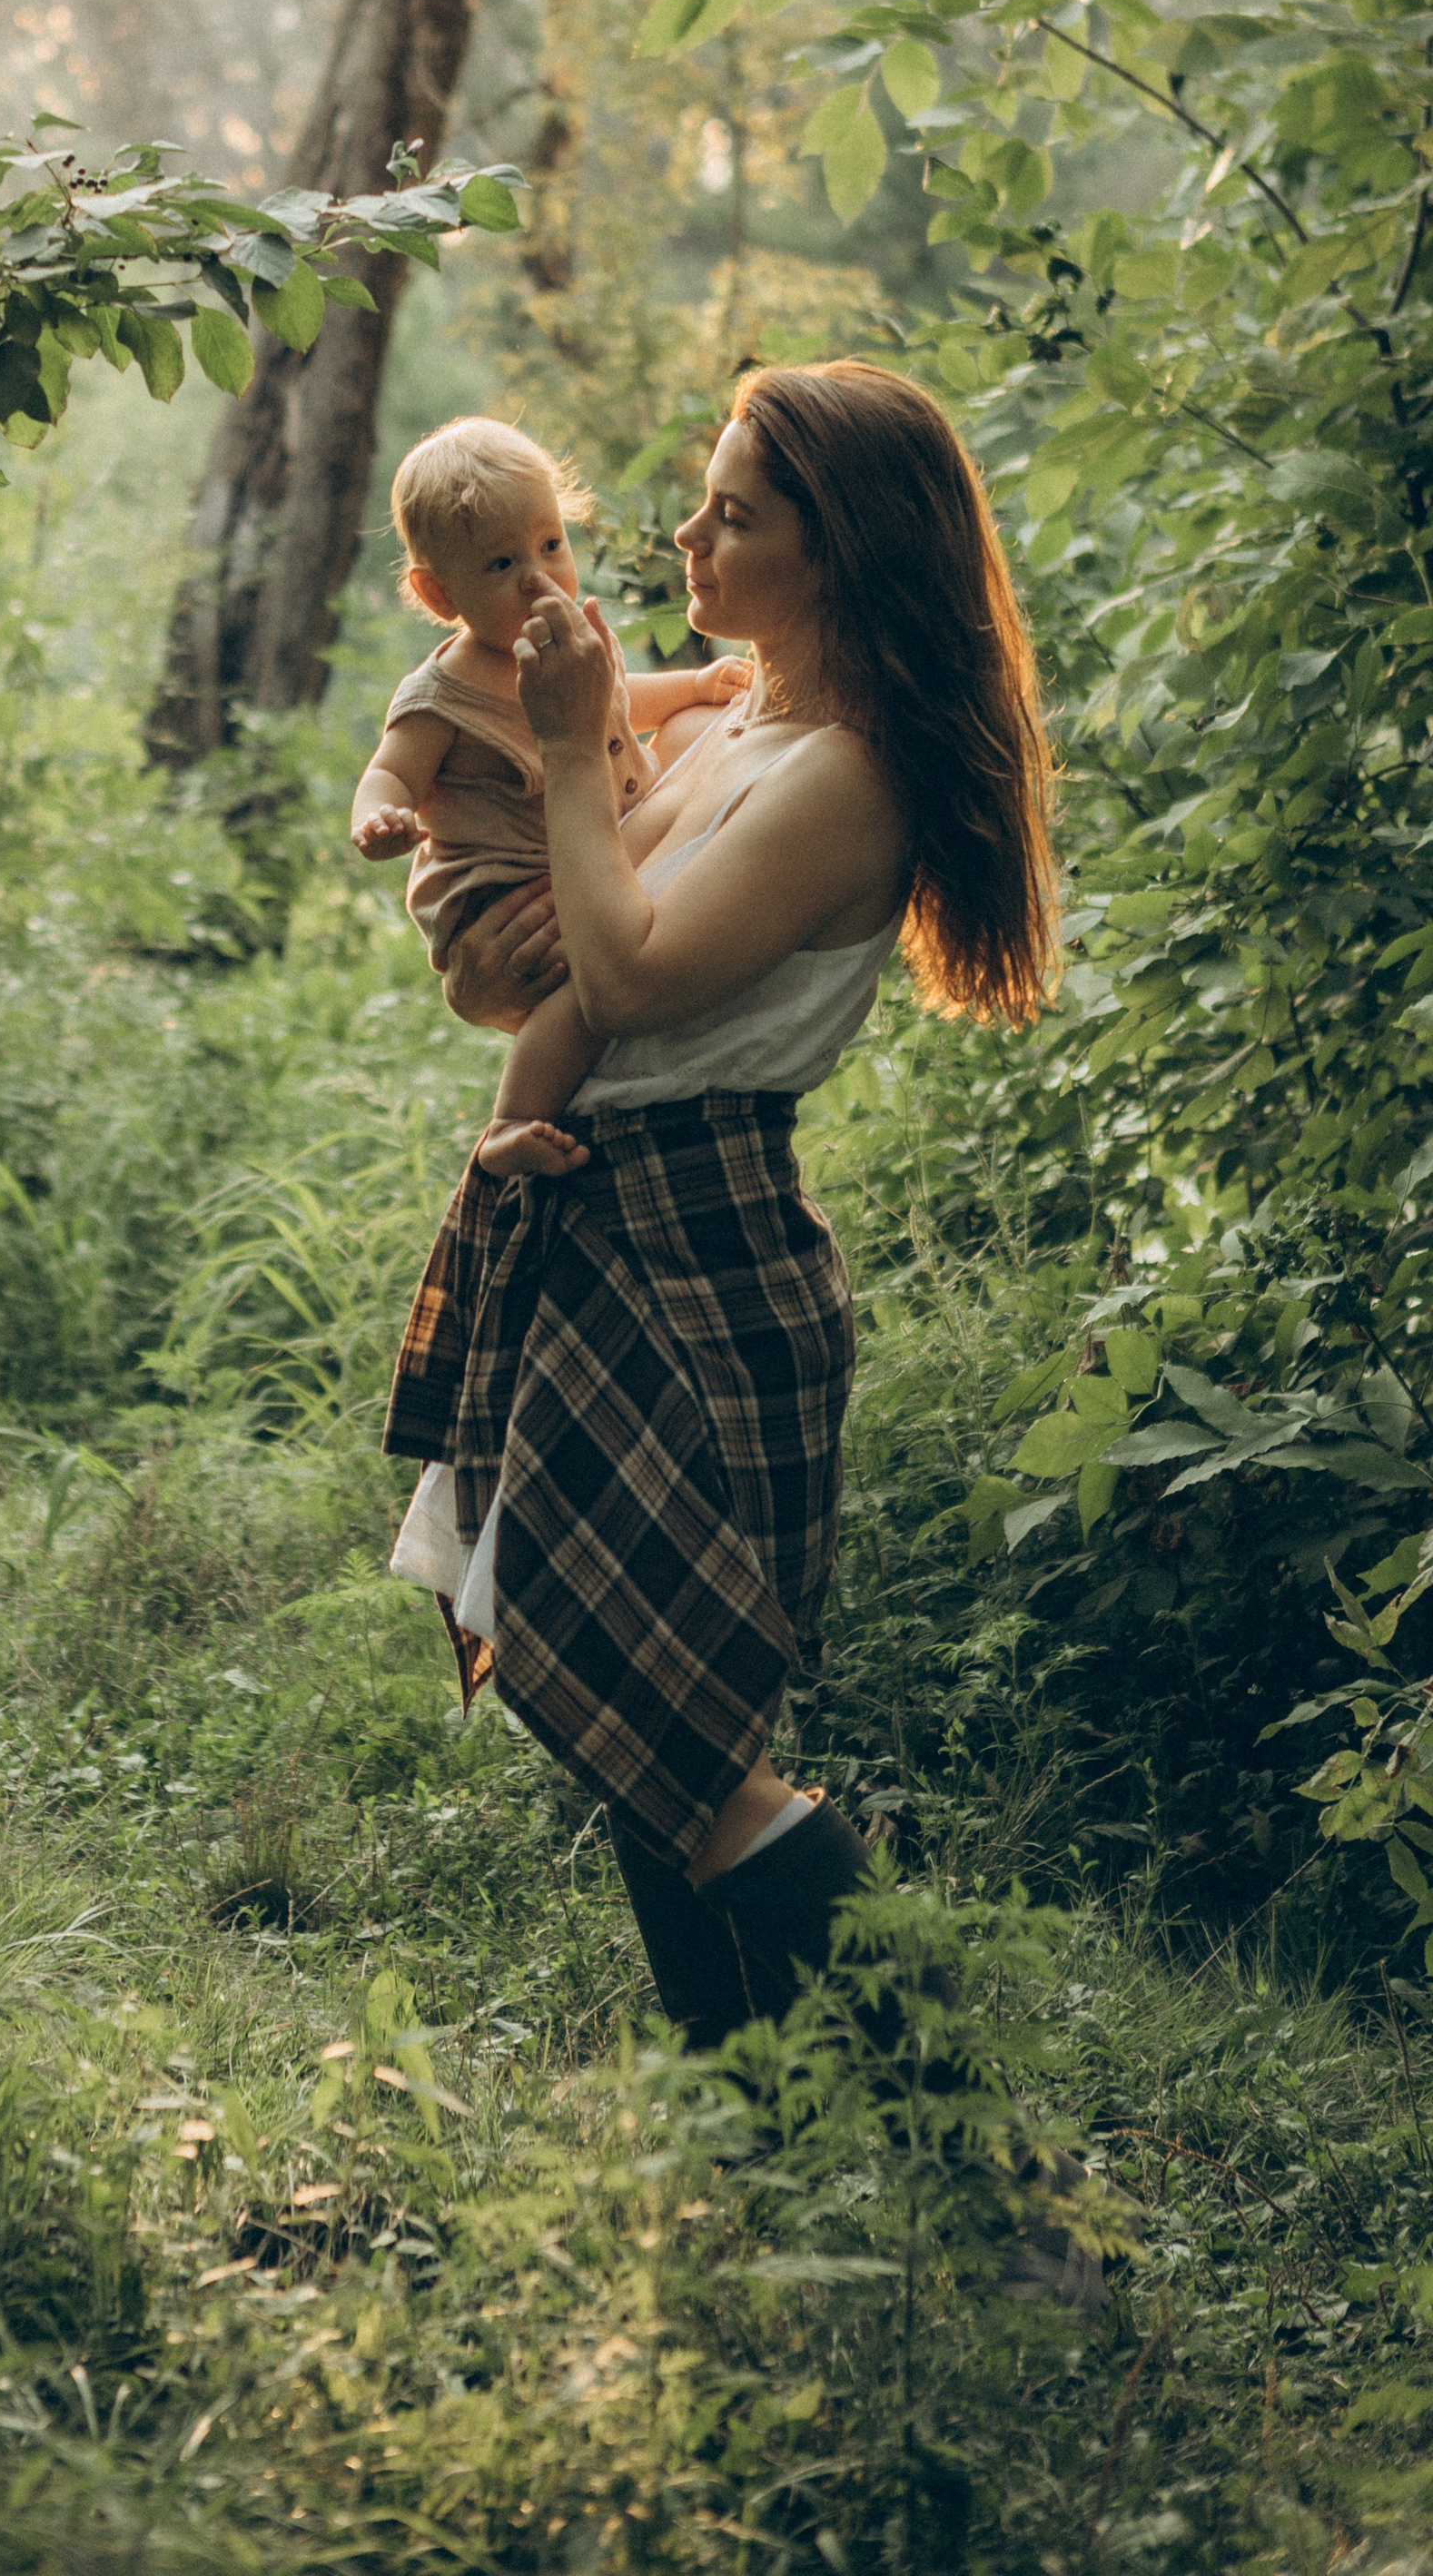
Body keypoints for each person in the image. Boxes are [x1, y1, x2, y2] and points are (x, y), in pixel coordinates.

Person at [383, 360, 1057, 2055]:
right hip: (599, 1229)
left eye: (734, 514)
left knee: (669, 1725)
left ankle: (950, 2138)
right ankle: (756, 2105)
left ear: (836, 551)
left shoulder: (845, 773)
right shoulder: (740, 714)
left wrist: (552, 757)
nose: (684, 533)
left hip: (703, 1255)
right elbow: (554, 974)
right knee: (620, 1704)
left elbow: (625, 971)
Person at [351, 416, 746, 1179]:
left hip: (593, 846)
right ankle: (510, 1122)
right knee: (579, 999)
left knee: (698, 734)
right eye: (501, 564)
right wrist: (380, 817)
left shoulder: (574, 634)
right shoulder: (443, 696)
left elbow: (615, 700)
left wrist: (695, 685)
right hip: (505, 895)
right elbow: (390, 771)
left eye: (551, 545)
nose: (539, 578)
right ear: (439, 594)